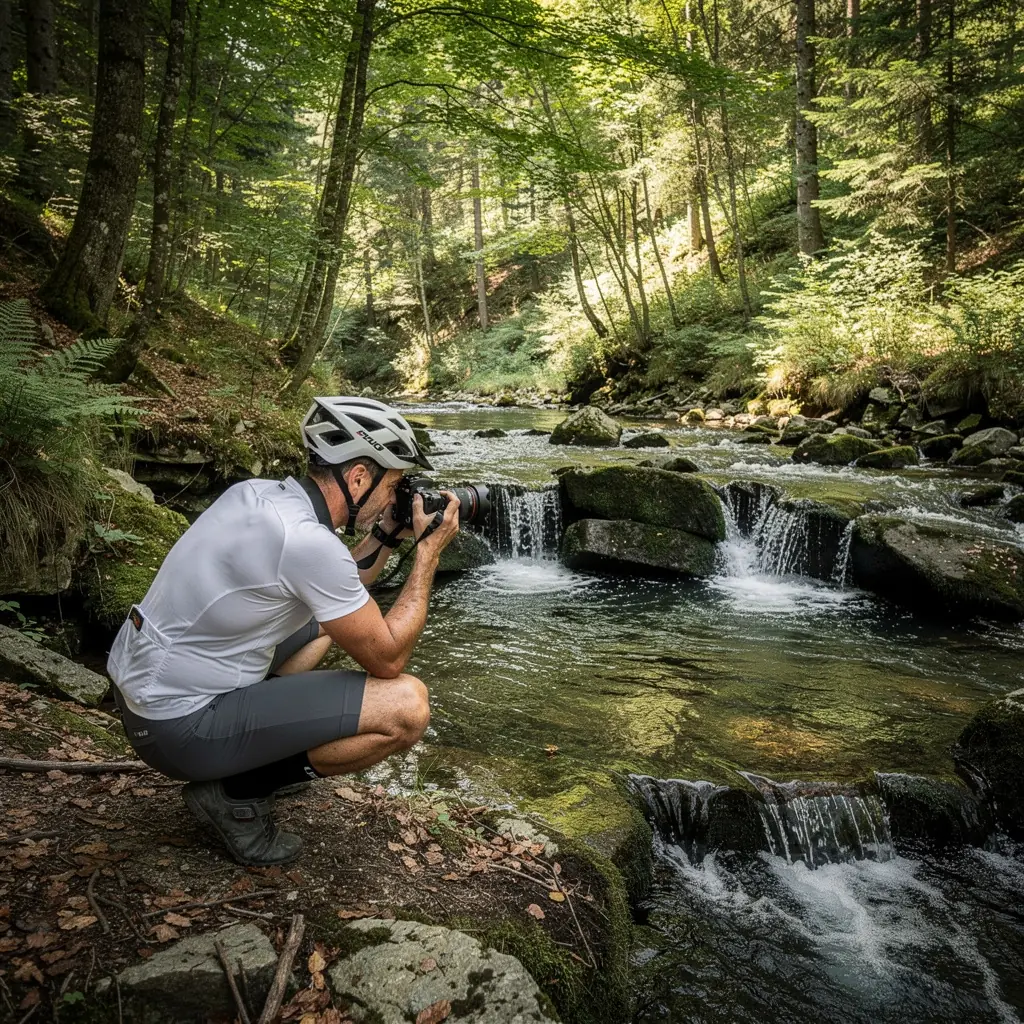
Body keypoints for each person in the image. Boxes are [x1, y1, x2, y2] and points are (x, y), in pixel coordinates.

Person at [106, 396, 459, 866]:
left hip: (143, 696)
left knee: (323, 626)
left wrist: (384, 535)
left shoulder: (256, 494)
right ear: (358, 477)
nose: (396, 496)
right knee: (407, 707)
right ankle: (236, 792)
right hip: (177, 730)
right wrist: (427, 555)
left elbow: (339, 588)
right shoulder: (307, 542)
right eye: (393, 483)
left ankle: (257, 747)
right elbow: (388, 658)